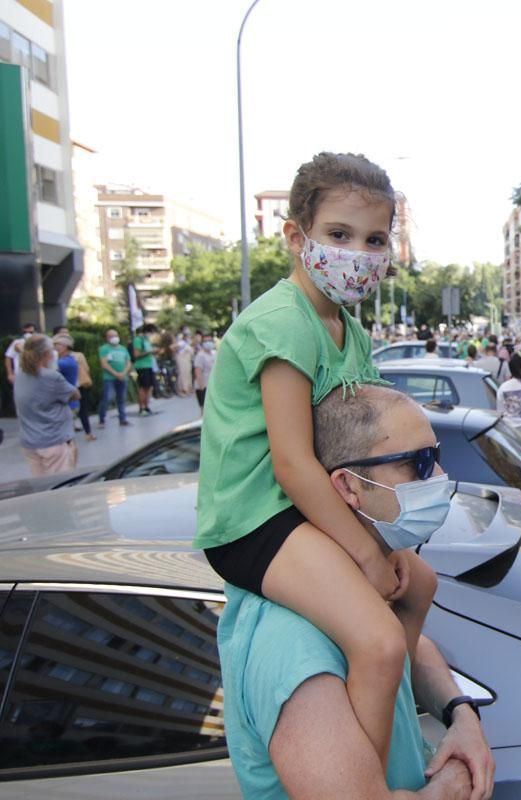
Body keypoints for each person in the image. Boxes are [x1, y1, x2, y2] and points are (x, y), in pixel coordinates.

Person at [194, 152, 439, 773]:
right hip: (256, 519)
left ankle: (384, 720)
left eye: (374, 238)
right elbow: (294, 465)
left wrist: (391, 546)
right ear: (296, 238)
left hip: (305, 509)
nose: (359, 251)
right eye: (339, 234)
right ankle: (368, 778)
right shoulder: (286, 323)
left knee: (419, 585)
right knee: (380, 644)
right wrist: (365, 554)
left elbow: (358, 448)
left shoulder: (347, 328)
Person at [222, 382, 494, 799]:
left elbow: (415, 649)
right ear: (348, 487)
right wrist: (458, 778)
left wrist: (461, 715)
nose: (439, 478)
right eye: (416, 464)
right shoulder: (292, 648)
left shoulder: (355, 586)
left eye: (436, 457)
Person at [13, 334, 80, 476]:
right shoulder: (51, 377)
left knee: (42, 487)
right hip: (53, 441)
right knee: (61, 487)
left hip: (30, 442)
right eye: (52, 350)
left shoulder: (20, 375)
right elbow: (75, 395)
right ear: (46, 354)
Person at [52, 334, 94, 442]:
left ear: (65, 346)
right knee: (66, 435)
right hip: (68, 401)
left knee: (66, 437)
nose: (54, 347)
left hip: (68, 403)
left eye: (57, 344)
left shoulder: (65, 362)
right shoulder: (68, 360)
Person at [98, 328, 132, 427]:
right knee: (107, 398)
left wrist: (124, 373)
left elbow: (128, 362)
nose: (114, 338)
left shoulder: (123, 349)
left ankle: (123, 419)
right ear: (107, 338)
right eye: (111, 336)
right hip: (109, 378)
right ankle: (102, 418)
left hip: (123, 377)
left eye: (115, 335)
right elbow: (104, 363)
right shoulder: (104, 349)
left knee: (121, 399)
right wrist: (116, 374)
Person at [131, 323, 158, 415]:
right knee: (143, 387)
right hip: (141, 366)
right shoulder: (138, 340)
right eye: (152, 332)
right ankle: (141, 407)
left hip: (149, 365)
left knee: (149, 387)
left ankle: (147, 406)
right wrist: (149, 352)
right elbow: (136, 354)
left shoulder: (147, 340)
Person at [193, 332, 216, 411]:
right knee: (205, 410)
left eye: (210, 340)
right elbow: (198, 372)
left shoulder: (214, 353)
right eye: (206, 341)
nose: (208, 343)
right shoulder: (200, 356)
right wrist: (203, 388)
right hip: (203, 387)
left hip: (213, 386)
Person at [174, 330, 194, 396]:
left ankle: (188, 389)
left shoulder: (188, 343)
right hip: (182, 360)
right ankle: (182, 390)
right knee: (182, 374)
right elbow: (172, 347)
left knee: (187, 374)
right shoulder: (181, 343)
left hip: (188, 361)